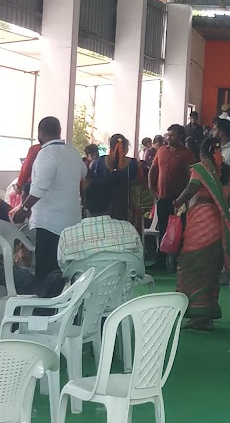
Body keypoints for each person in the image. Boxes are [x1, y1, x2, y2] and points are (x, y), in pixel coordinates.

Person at [19, 116, 86, 295]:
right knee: (66, 268)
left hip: (49, 223)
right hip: (71, 220)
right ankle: (65, 303)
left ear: (40, 133)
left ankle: (45, 306)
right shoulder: (73, 151)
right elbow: (84, 171)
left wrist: (24, 209)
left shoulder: (45, 154)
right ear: (59, 131)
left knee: (46, 271)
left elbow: (40, 187)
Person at [174, 137, 230, 330]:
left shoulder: (201, 169)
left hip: (201, 221)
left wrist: (177, 202)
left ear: (202, 153)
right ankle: (205, 316)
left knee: (190, 263)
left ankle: (198, 315)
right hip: (217, 223)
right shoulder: (226, 172)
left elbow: (192, 188)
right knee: (210, 266)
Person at [57, 178, 143, 270]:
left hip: (83, 279)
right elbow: (138, 263)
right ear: (111, 206)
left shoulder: (67, 236)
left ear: (84, 205)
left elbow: (64, 269)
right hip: (123, 279)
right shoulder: (129, 230)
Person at [149, 125, 192, 239]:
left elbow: (191, 177)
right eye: (167, 135)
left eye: (172, 136)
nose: (168, 138)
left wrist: (185, 199)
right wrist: (151, 188)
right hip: (161, 198)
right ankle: (161, 250)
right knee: (162, 230)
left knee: (177, 231)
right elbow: (153, 170)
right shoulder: (161, 150)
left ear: (180, 137)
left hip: (178, 201)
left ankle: (176, 251)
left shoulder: (187, 154)